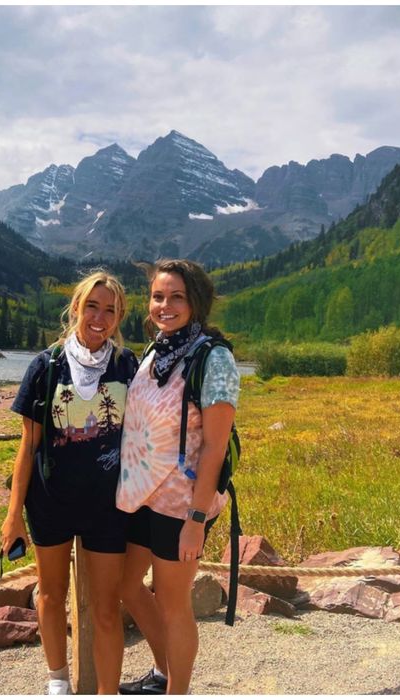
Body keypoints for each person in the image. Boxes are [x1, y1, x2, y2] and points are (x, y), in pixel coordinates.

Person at [1, 270, 137, 695]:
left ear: (119, 318)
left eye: (110, 310)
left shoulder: (126, 365)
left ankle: (107, 692)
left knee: (106, 608)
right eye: (92, 306)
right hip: (50, 502)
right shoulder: (45, 366)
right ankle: (57, 680)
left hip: (106, 507)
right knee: (50, 595)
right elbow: (28, 447)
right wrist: (12, 517)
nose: (100, 317)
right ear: (76, 308)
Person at [117, 259, 240, 695]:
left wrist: (195, 518)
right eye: (157, 296)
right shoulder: (157, 349)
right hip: (142, 495)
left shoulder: (214, 357)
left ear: (197, 302)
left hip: (181, 503)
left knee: (173, 605)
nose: (164, 305)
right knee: (129, 587)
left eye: (177, 297)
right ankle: (162, 672)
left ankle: (178, 691)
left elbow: (214, 445)